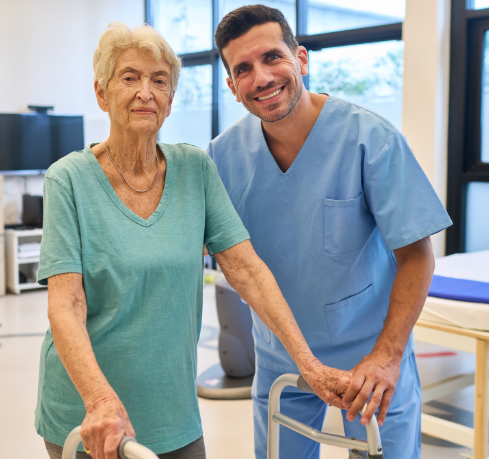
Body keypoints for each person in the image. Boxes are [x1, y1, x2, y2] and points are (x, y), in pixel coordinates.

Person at [35, 21, 351, 459]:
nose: (146, 92)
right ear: (102, 94)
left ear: (170, 100)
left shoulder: (194, 169)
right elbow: (66, 304)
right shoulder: (68, 179)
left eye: (159, 81)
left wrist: (309, 365)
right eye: (129, 78)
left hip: (173, 411)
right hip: (90, 414)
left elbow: (247, 270)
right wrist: (99, 401)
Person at [209, 6, 453, 459]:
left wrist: (387, 357)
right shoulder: (222, 158)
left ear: (301, 59)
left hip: (371, 355)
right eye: (243, 69)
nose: (261, 78)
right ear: (231, 86)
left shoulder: (369, 138)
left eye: (272, 57)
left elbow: (417, 255)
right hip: (280, 356)